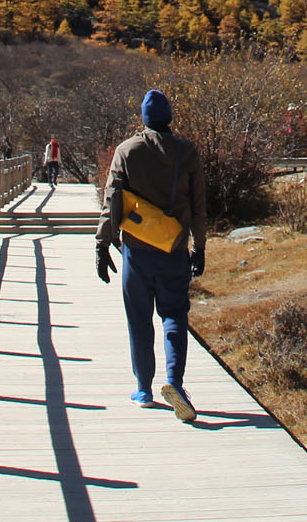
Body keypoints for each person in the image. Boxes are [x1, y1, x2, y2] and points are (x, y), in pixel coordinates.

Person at [95, 89, 206, 422]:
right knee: (174, 315)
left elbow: (111, 200)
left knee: (139, 320)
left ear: (144, 118)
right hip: (174, 250)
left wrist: (103, 244)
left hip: (136, 252)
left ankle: (143, 388)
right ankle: (175, 382)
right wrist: (199, 247)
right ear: (169, 117)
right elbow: (198, 207)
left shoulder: (127, 151)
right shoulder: (187, 153)